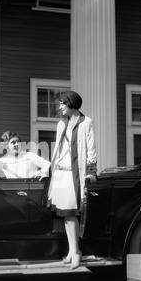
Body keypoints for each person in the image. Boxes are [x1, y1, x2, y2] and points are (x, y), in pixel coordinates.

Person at [47, 91, 97, 270]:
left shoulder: (86, 123)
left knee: (70, 213)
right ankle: (72, 250)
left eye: (62, 103)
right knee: (64, 214)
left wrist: (91, 171)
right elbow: (58, 152)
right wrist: (47, 170)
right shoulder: (61, 124)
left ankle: (76, 251)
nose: (59, 106)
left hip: (73, 174)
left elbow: (91, 149)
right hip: (60, 174)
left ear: (71, 104)